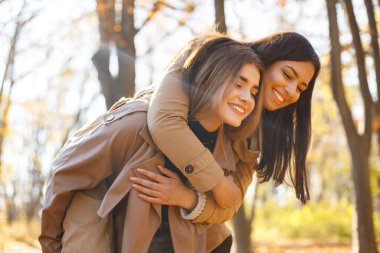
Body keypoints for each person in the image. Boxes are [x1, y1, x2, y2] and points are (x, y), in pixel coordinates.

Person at [39, 35, 264, 253]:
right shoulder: (137, 124)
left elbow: (225, 207)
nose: (247, 98)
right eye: (239, 84)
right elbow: (64, 174)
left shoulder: (226, 150)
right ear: (212, 77)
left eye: (254, 92)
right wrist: (52, 247)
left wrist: (186, 198)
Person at [132, 31, 320, 252]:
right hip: (130, 182)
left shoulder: (256, 134)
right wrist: (219, 184)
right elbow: (165, 123)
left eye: (300, 88)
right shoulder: (205, 54)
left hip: (180, 222)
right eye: (288, 75)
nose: (291, 91)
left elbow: (231, 204)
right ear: (269, 59)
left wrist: (187, 198)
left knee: (218, 239)